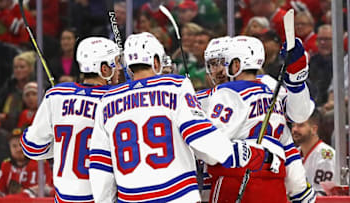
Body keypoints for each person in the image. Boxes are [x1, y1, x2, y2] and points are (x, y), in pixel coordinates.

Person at [89, 32, 273, 202]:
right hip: (178, 195)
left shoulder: (107, 100)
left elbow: (100, 165)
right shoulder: (175, 86)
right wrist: (244, 153)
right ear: (155, 61)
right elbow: (201, 139)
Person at [202, 36, 316, 202]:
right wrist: (300, 191)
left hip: (235, 179)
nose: (217, 71)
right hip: (274, 182)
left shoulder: (225, 94)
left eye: (221, 62)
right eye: (213, 64)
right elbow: (287, 138)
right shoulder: (271, 90)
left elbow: (210, 150)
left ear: (236, 64)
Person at [20, 37, 122, 202]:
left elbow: (32, 147)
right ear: (104, 69)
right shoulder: (117, 98)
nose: (119, 68)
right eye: (116, 63)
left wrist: (61, 146)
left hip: (65, 197)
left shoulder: (57, 95)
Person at [0, 128, 53, 198]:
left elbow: (47, 188)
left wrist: (23, 195)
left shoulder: (40, 164)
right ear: (9, 148)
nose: (18, 149)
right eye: (14, 146)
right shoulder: (6, 165)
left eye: (21, 145)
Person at [292, 109, 335, 196]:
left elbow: (325, 195)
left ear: (314, 129)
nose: (294, 129)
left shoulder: (327, 156)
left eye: (300, 125)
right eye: (293, 125)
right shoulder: (293, 154)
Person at [0, 51, 36, 131]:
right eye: (16, 67)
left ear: (31, 68)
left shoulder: (38, 85)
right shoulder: (9, 85)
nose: (18, 70)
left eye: (22, 67)